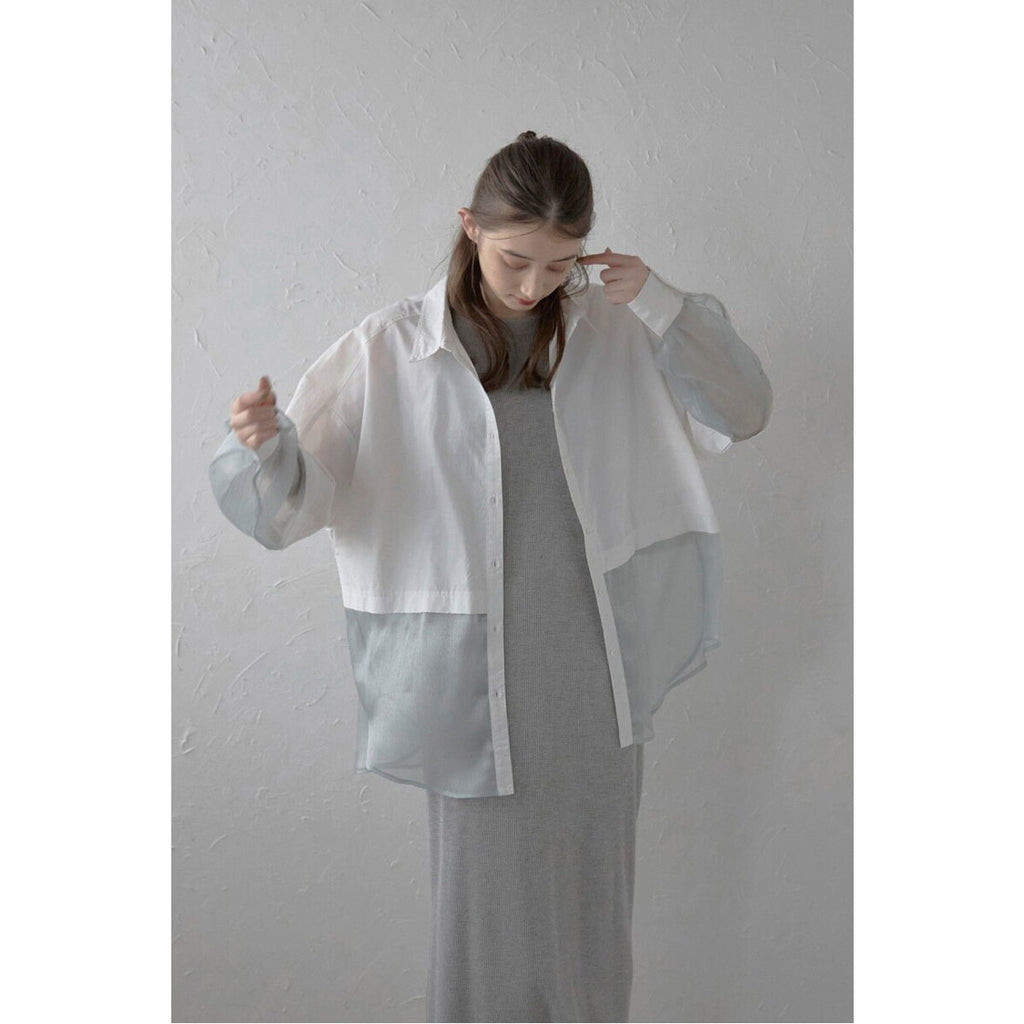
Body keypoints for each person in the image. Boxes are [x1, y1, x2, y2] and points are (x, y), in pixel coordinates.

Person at [209, 131, 772, 1023]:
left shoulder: (613, 332)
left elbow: (742, 411)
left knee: (590, 925)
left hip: (594, 682)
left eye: (561, 264)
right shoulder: (388, 351)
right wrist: (266, 447)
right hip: (467, 691)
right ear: (469, 225)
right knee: (484, 928)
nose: (534, 286)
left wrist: (662, 303)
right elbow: (290, 511)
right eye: (516, 259)